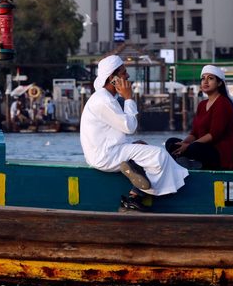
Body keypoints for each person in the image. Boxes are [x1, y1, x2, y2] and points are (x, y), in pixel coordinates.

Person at [80, 55, 188, 211]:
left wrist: (131, 145)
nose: (128, 76)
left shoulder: (104, 98)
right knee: (159, 155)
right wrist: (129, 98)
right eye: (124, 73)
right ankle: (134, 195)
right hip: (106, 156)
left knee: (145, 148)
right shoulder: (104, 100)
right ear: (113, 78)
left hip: (108, 151)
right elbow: (129, 127)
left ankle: (134, 171)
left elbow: (113, 133)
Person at [166, 65, 233, 170]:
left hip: (220, 154)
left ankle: (187, 163)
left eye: (210, 78)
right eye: (203, 78)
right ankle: (187, 162)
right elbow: (195, 133)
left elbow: (214, 134)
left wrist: (188, 146)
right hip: (201, 147)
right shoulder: (202, 104)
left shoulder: (223, 103)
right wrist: (183, 144)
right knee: (171, 142)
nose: (205, 82)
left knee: (194, 147)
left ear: (219, 83)